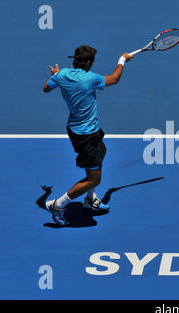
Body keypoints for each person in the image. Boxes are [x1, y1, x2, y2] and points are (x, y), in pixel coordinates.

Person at [43, 45, 133, 225]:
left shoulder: (62, 75)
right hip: (87, 134)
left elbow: (46, 88)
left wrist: (56, 75)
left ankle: (90, 200)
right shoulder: (91, 79)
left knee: (102, 152)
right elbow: (114, 79)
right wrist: (122, 60)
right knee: (93, 179)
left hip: (77, 129)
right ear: (89, 62)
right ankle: (58, 205)